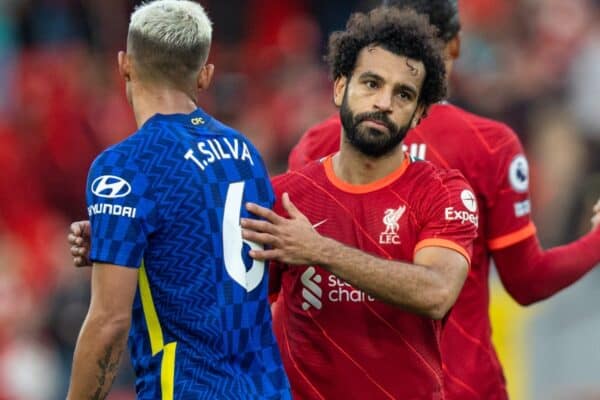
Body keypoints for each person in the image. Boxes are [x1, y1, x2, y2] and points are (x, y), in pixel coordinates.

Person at [285, 1, 600, 399]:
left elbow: (284, 291)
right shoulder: (488, 145)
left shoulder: (317, 145)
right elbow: (526, 281)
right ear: (454, 47)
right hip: (460, 383)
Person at [240, 7, 478, 399]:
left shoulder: (444, 192)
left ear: (419, 113)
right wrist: (120, 246)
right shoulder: (283, 197)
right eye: (371, 83)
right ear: (339, 88)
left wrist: (319, 250)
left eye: (403, 94)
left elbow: (436, 293)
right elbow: (233, 308)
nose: (384, 102)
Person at [66, 1, 291, 399]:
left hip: (188, 389)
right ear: (205, 76)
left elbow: (108, 324)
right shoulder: (245, 154)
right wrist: (123, 244)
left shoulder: (125, 166)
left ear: (124, 64)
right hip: (266, 388)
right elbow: (222, 258)